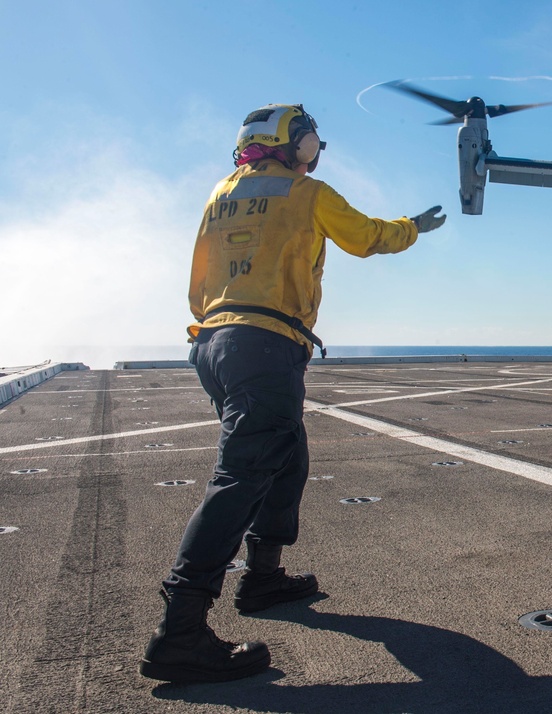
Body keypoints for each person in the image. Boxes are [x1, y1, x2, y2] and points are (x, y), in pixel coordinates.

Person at [139, 103, 445, 683]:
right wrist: (412, 227)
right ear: (297, 145)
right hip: (264, 347)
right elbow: (367, 237)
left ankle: (263, 577)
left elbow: (200, 279)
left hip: (213, 342)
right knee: (240, 479)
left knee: (287, 459)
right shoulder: (306, 192)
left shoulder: (221, 193)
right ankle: (180, 630)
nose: (317, 148)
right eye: (312, 139)